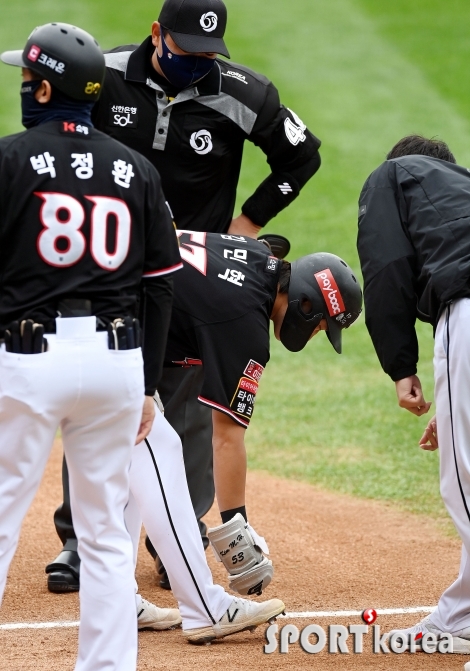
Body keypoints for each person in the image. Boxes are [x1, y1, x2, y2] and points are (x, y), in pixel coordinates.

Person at [47, 0, 323, 593]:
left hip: (191, 272)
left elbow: (302, 157)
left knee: (191, 402)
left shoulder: (246, 93)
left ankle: (174, 535)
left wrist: (247, 223)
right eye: (184, 53)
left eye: (207, 56)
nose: (196, 65)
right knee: (99, 396)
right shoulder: (108, 74)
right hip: (108, 263)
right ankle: (79, 540)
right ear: (156, 35)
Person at [0, 22, 184, 670]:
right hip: (116, 362)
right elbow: (161, 287)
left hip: (28, 358)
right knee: (106, 530)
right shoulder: (137, 169)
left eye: (26, 78)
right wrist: (148, 384)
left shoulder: (10, 159)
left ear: (45, 88)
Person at [149, 231, 362, 595]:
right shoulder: (244, 322)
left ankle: (132, 585)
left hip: (94, 297)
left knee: (146, 449)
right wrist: (237, 530)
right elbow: (227, 438)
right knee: (157, 452)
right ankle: (193, 592)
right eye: (321, 326)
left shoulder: (254, 255)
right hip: (99, 325)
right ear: (305, 305)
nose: (313, 336)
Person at [357, 134, 470, 653]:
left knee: (465, 485)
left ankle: (461, 621)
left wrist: (400, 366)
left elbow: (386, 268)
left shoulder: (393, 175)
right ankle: (461, 616)